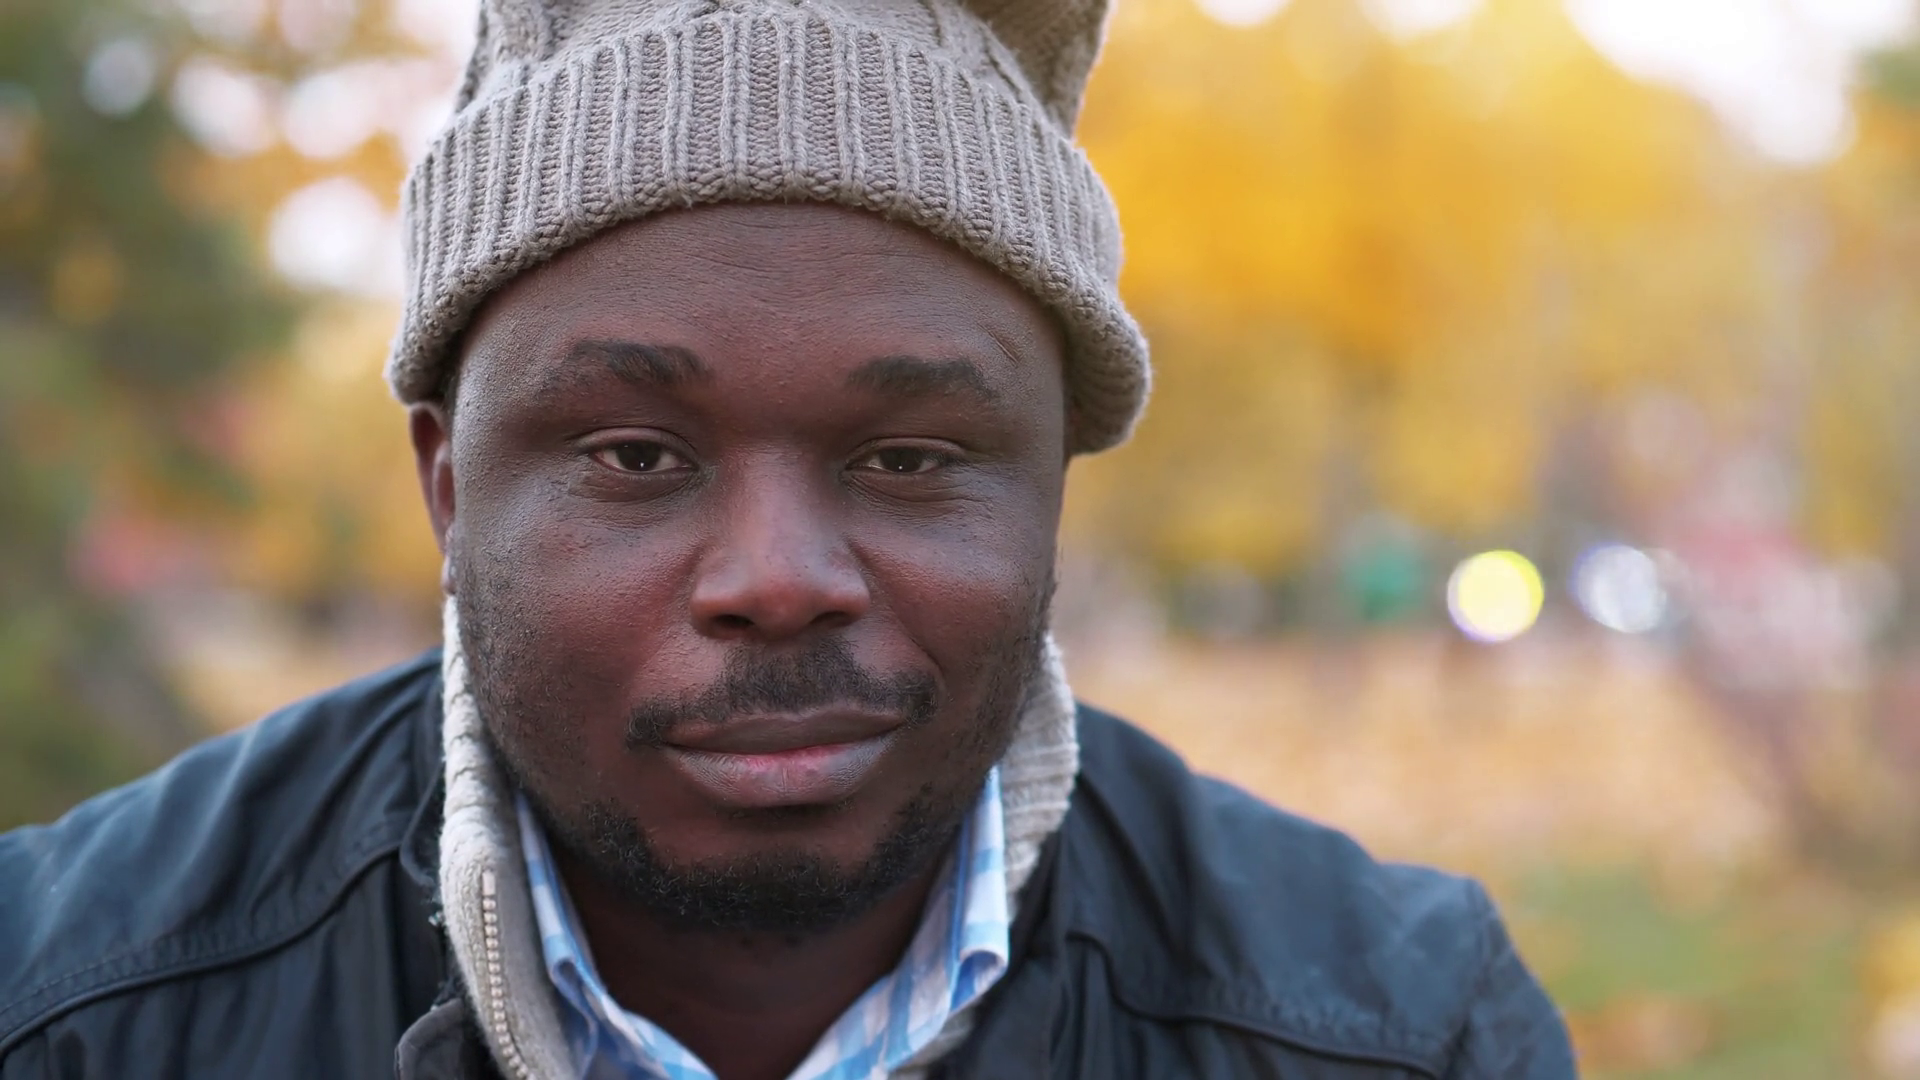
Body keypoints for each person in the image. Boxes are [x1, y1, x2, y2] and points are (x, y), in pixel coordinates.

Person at [0, 1, 1576, 1076]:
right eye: (635, 456)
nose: (776, 581)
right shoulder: (62, 1011)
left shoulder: (1398, 1032)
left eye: (910, 458)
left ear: (1054, 484)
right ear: (450, 488)